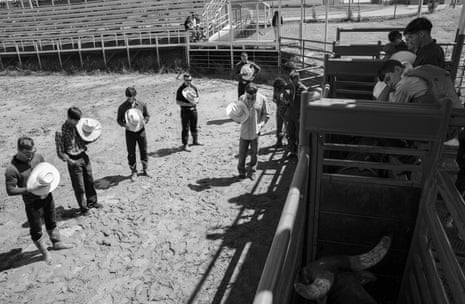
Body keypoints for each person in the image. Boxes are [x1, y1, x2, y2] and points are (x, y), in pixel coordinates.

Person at [5, 137, 72, 264]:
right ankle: (44, 253)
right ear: (20, 151)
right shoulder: (12, 169)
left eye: (33, 152)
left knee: (51, 221)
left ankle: (57, 242)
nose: (31, 156)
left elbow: (46, 171)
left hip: (47, 196)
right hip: (31, 203)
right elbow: (10, 190)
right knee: (36, 229)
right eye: (28, 154)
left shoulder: (38, 157)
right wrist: (28, 189)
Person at [61, 107, 102, 214]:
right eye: (76, 120)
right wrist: (70, 161)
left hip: (83, 156)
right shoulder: (61, 132)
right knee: (79, 186)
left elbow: (84, 141)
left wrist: (92, 138)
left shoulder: (78, 127)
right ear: (69, 118)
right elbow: (60, 152)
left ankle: (92, 202)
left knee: (89, 180)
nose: (78, 122)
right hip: (73, 159)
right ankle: (83, 208)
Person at [237, 83, 270, 180]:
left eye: (253, 96)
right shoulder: (241, 98)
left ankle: (252, 171)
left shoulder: (263, 99)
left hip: (255, 131)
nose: (250, 98)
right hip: (244, 130)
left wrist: (261, 125)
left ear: (256, 93)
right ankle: (241, 171)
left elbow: (266, 114)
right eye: (248, 96)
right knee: (242, 152)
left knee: (254, 152)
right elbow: (238, 113)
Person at [117, 87, 150, 181]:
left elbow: (147, 115)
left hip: (141, 131)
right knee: (131, 152)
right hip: (129, 132)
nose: (130, 99)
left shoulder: (142, 104)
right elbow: (119, 120)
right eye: (128, 97)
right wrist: (124, 125)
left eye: (131, 97)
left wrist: (145, 121)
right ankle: (133, 171)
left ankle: (145, 169)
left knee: (143, 150)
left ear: (135, 95)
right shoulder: (122, 107)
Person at [176, 74, 202, 151]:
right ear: (184, 80)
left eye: (190, 80)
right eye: (187, 80)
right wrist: (188, 104)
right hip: (185, 111)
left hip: (194, 110)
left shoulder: (193, 88)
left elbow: (197, 98)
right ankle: (185, 144)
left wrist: (196, 102)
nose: (189, 82)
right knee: (185, 128)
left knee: (194, 126)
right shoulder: (180, 89)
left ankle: (195, 141)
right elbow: (178, 102)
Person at [287, 70, 308, 157]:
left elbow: (306, 104)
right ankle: (292, 151)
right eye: (291, 80)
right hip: (291, 114)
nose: (292, 81)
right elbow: (288, 100)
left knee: (298, 135)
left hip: (299, 115)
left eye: (294, 79)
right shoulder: (290, 87)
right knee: (290, 133)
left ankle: (299, 153)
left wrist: (302, 115)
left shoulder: (303, 89)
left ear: (297, 79)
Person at [272, 77, 291, 147]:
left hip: (284, 111)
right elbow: (274, 99)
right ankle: (280, 141)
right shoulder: (281, 90)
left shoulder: (285, 91)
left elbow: (288, 102)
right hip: (282, 110)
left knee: (284, 127)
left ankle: (284, 142)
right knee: (282, 127)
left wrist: (280, 101)